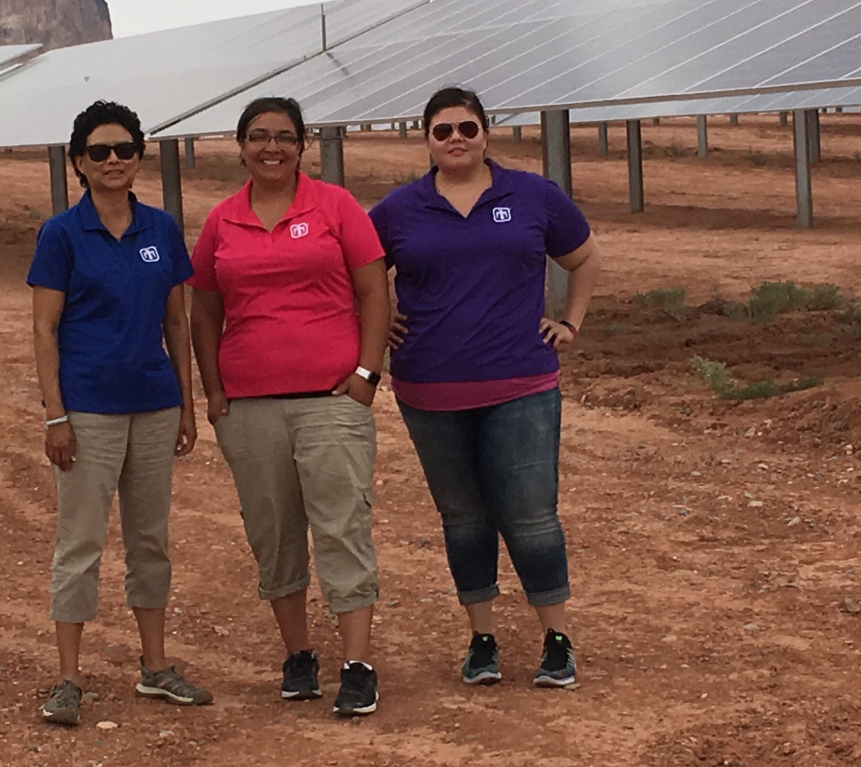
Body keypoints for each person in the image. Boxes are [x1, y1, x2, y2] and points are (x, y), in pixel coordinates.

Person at [368, 87, 602, 689]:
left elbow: (584, 258)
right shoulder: (399, 210)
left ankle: (556, 640)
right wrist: (375, 316)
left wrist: (570, 320)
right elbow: (358, 276)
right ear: (426, 139)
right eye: (442, 130)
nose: (455, 139)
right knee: (464, 518)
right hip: (429, 388)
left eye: (466, 129)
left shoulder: (532, 196)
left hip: (521, 383)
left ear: (486, 133)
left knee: (530, 515)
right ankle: (482, 640)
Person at [189, 97, 390, 717]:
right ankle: (298, 655)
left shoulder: (335, 206)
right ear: (241, 145)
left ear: (301, 145)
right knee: (273, 533)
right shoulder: (222, 221)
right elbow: (204, 309)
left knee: (341, 525)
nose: (270, 147)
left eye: (282, 136)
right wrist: (215, 392)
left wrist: (365, 375)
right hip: (249, 408)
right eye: (257, 137)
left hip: (331, 401)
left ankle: (356, 664)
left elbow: (373, 288)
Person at [29, 100, 212, 726]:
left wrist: (186, 404)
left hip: (154, 406)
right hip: (88, 411)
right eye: (100, 152)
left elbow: (175, 321)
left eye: (125, 150)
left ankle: (155, 667)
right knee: (79, 542)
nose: (114, 161)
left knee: (149, 539)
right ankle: (68, 679)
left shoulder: (161, 230)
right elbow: (45, 330)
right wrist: (56, 415)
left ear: (139, 158)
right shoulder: (61, 234)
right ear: (78, 161)